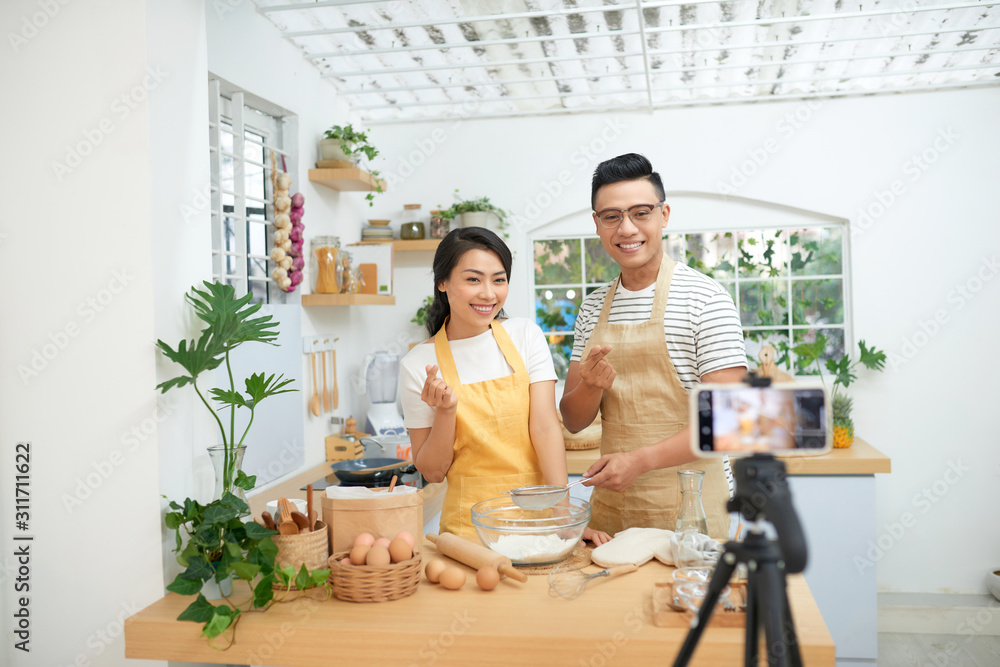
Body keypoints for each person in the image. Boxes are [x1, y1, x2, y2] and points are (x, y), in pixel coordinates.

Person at [560, 153, 748, 538]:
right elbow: (574, 420)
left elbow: (726, 425)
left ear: (664, 215)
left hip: (692, 512)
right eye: (612, 216)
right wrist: (591, 386)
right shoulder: (594, 306)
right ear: (597, 224)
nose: (626, 228)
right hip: (612, 512)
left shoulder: (705, 298)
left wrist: (639, 461)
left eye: (641, 213)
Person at [400, 227, 610, 544]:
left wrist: (563, 513)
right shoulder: (418, 364)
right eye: (473, 279)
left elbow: (545, 428)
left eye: (499, 280)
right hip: (470, 531)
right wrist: (446, 412)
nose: (489, 293)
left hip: (540, 520)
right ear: (442, 283)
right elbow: (432, 471)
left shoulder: (524, 335)